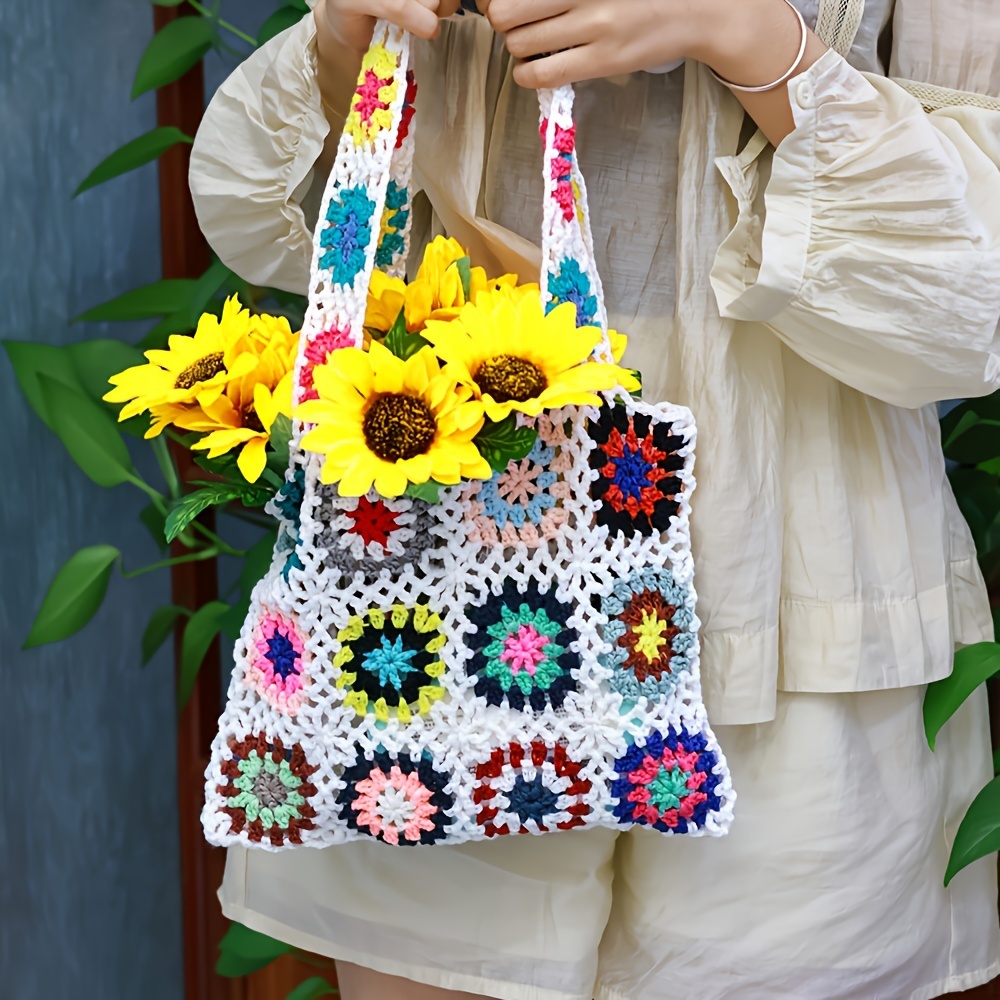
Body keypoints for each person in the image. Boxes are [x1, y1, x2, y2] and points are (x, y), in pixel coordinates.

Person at [189, 1, 1000, 997]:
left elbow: (969, 305)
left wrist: (743, 34)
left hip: (791, 597)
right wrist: (349, 34)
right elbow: (268, 230)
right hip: (434, 588)